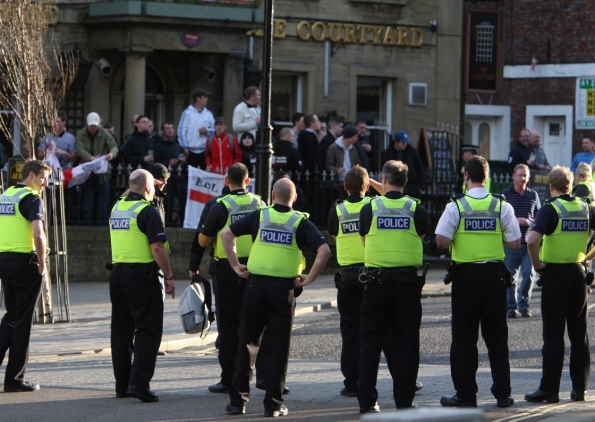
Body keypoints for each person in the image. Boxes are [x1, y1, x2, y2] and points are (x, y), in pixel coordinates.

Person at [222, 178, 331, 417]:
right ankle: (272, 405)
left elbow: (227, 234)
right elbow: (324, 250)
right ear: (294, 198)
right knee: (278, 348)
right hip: (283, 290)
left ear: (272, 195)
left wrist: (235, 265)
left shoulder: (260, 216)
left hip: (255, 286)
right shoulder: (300, 222)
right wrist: (310, 278)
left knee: (247, 344)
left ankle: (237, 402)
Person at [436, 155, 520, 408]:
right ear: (487, 178)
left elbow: (441, 240)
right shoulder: (501, 206)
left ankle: (466, 394)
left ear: (466, 176)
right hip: (494, 276)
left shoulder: (456, 206)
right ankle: (503, 393)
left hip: (466, 278)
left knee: (464, 338)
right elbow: (515, 242)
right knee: (496, 337)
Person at [357, 160, 428, 413]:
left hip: (375, 284)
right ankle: (404, 403)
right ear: (405, 183)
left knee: (370, 345)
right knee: (407, 344)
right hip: (407, 286)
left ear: (383, 181)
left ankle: (366, 403)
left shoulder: (370, 208)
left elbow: (365, 239)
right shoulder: (416, 209)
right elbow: (419, 238)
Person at [525, 166, 594, 404]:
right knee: (579, 335)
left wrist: (537, 266)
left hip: (554, 275)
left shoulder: (550, 209)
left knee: (553, 336)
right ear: (571, 184)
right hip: (578, 274)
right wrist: (589, 257)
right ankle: (579, 390)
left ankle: (550, 390)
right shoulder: (585, 207)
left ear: (551, 187)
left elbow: (532, 240)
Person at [108, 169, 175, 403]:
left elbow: (131, 190)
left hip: (117, 276)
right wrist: (168, 275)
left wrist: (143, 183)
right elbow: (157, 248)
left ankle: (123, 385)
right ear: (149, 187)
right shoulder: (148, 211)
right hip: (142, 277)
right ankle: (140, 383)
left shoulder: (117, 207)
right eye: (152, 187)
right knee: (148, 329)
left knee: (121, 332)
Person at [198, 163, 264, 394]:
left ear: (227, 181)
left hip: (228, 268)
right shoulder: (259, 203)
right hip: (255, 268)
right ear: (248, 181)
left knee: (228, 325)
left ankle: (228, 379)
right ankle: (263, 377)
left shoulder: (220, 205)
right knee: (257, 322)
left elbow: (202, 241)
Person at [0, 160, 51, 393]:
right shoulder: (32, 198)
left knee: (10, 317)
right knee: (22, 322)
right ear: (31, 175)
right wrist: (42, 262)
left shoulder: (6, 195)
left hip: (4, 261)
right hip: (25, 264)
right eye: (43, 177)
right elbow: (38, 235)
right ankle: (15, 379)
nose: (46, 183)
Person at [502, 164, 541, 318]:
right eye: (520, 175)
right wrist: (514, 221)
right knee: (510, 276)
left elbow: (539, 216)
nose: (522, 178)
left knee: (529, 273)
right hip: (511, 242)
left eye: (525, 175)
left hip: (529, 241)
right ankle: (511, 307)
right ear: (513, 176)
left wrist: (528, 222)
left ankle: (523, 305)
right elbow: (502, 217)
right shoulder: (506, 195)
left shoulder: (533, 195)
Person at [75, 112, 118, 225]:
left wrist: (111, 155)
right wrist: (90, 158)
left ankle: (102, 226)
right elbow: (80, 148)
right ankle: (87, 226)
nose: (93, 127)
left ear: (99, 124)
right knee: (87, 203)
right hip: (87, 172)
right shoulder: (81, 134)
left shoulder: (104, 133)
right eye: (91, 125)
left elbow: (113, 146)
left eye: (95, 125)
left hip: (102, 172)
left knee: (102, 204)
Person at [154, 121, 187, 226]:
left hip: (179, 178)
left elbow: (185, 162)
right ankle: (167, 223)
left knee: (183, 202)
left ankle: (181, 222)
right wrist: (168, 163)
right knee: (168, 204)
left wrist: (183, 162)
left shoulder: (178, 146)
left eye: (171, 128)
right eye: (167, 128)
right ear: (162, 131)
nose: (170, 130)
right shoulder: (158, 146)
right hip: (167, 180)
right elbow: (155, 162)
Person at [380, 130, 426, 199]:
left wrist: (421, 186)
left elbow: (420, 168)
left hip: (411, 188)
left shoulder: (412, 151)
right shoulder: (387, 153)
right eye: (403, 142)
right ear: (396, 141)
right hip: (393, 187)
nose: (405, 144)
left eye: (406, 142)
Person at [178, 89, 215, 169]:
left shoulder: (208, 114)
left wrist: (207, 131)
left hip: (204, 151)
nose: (207, 99)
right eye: (205, 97)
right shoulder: (187, 113)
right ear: (198, 98)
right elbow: (181, 130)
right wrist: (184, 147)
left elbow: (215, 130)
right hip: (190, 151)